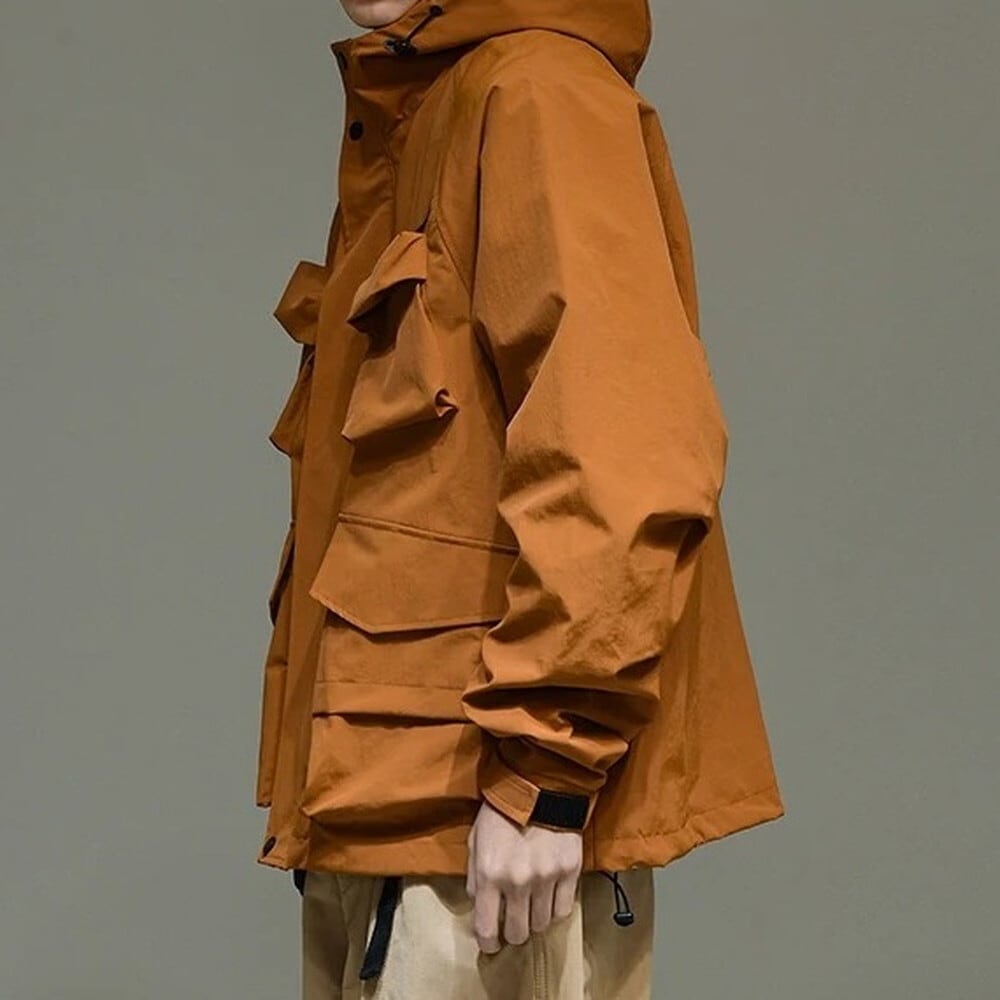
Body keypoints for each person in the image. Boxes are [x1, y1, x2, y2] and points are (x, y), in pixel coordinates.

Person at [254, 1, 786, 996]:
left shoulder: (538, 92)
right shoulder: (423, 111)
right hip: (385, 818)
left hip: (487, 836)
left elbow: (622, 452)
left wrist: (544, 773)